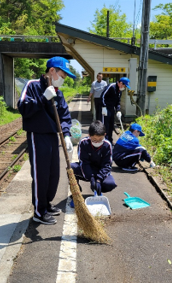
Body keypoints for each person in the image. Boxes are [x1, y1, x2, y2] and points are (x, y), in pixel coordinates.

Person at [17, 56, 76, 225]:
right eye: (62, 76)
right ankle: (39, 211)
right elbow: (23, 108)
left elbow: (64, 115)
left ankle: (47, 203)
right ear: (52, 71)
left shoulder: (59, 93)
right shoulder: (33, 85)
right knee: (41, 174)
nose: (63, 80)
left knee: (53, 174)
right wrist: (43, 98)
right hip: (37, 135)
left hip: (52, 136)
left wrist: (66, 134)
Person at [70, 120, 117, 206]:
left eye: (100, 139)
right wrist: (91, 178)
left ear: (104, 135)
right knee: (71, 168)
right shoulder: (83, 143)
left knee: (110, 184)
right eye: (94, 139)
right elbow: (84, 162)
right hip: (87, 170)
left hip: (100, 170)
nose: (97, 142)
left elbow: (107, 165)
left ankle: (98, 191)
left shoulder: (107, 145)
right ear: (89, 135)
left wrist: (99, 179)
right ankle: (76, 192)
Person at [101, 77, 130, 144]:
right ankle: (104, 141)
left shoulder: (119, 91)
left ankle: (109, 141)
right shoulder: (111, 86)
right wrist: (104, 106)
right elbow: (102, 96)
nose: (124, 87)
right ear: (120, 83)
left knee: (111, 125)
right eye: (124, 86)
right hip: (105, 108)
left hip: (111, 109)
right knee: (105, 125)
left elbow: (118, 102)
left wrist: (118, 110)